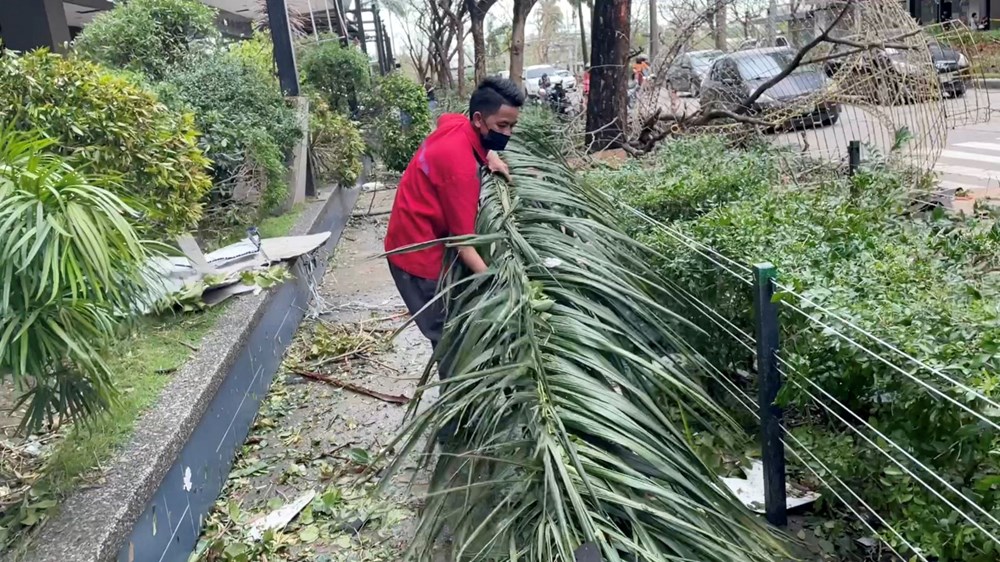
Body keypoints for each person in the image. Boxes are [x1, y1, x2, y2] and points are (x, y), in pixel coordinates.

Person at [384, 77, 524, 364]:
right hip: (416, 258)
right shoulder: (460, 170)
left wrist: (490, 156)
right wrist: (496, 282)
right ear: (478, 119)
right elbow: (464, 242)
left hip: (418, 232)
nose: (507, 133)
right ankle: (456, 402)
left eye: (511, 126)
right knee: (451, 339)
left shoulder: (458, 126)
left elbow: (444, 118)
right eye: (502, 126)